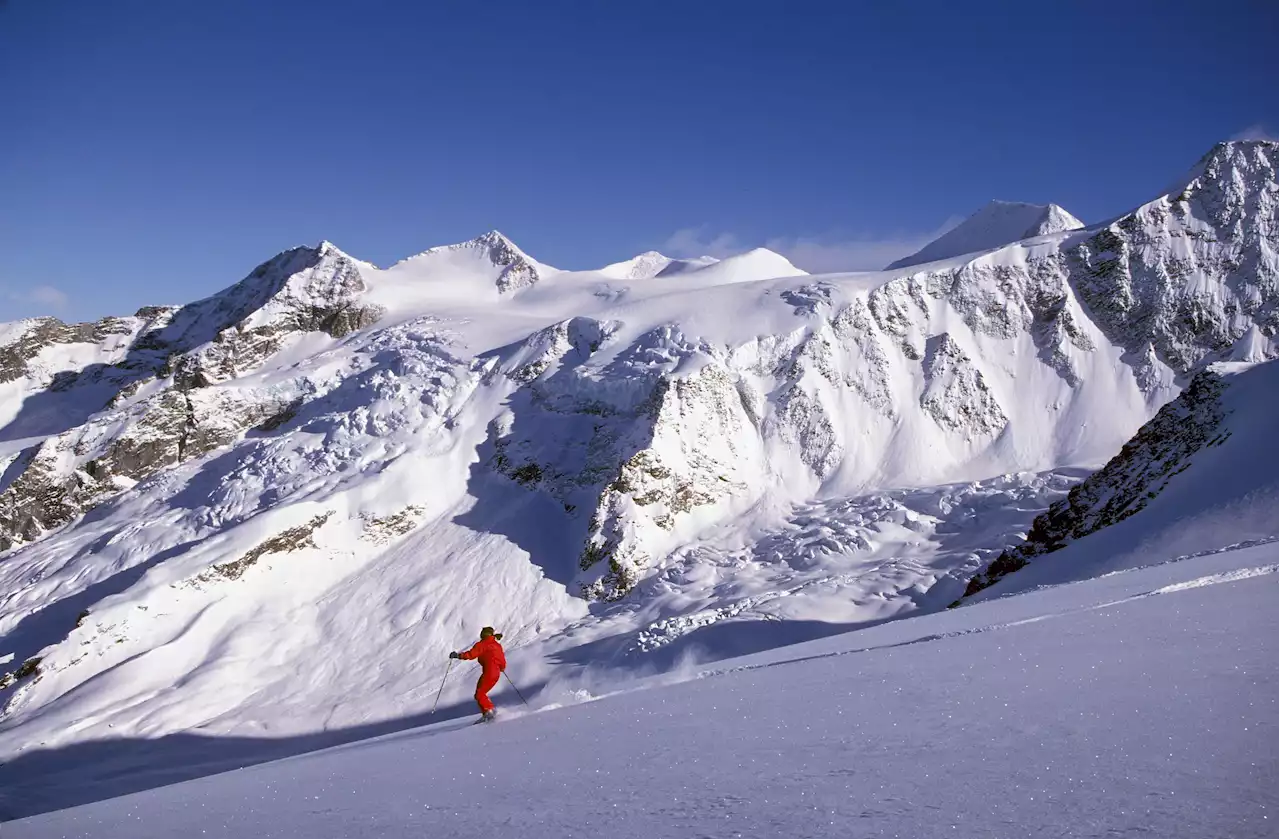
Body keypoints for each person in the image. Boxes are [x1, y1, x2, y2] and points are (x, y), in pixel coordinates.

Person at [450, 626, 506, 722]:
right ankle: (487, 713)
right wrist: (501, 668)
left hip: (489, 671)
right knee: (480, 693)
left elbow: (471, 654)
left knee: (480, 693)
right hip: (496, 672)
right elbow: (502, 660)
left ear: (483, 635)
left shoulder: (483, 644)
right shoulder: (497, 645)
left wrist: (458, 655)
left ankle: (490, 712)